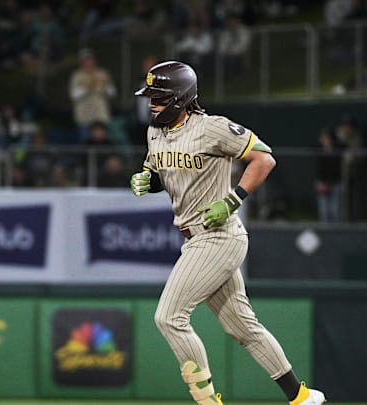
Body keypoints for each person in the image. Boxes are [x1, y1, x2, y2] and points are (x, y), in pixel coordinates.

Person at [129, 61, 325, 405]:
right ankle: (303, 397)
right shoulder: (155, 132)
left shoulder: (212, 128)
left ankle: (207, 402)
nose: (151, 104)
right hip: (194, 236)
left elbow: (264, 159)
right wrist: (149, 180)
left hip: (217, 234)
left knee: (169, 317)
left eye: (158, 98)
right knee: (243, 328)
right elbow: (160, 168)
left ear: (180, 98)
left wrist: (233, 199)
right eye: (150, 97)